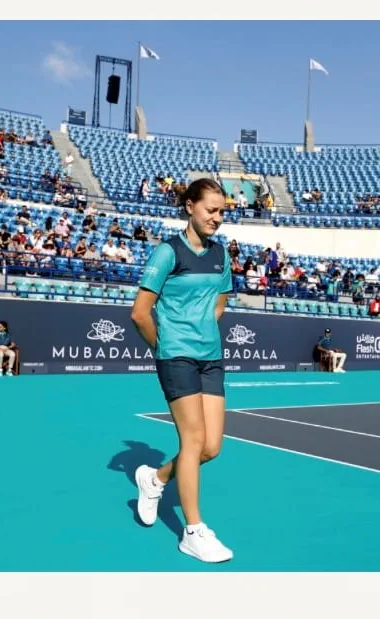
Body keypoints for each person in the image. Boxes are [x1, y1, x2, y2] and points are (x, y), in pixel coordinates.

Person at [130, 178, 234, 564]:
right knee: (192, 442)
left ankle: (154, 479)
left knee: (211, 448)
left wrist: (202, 328)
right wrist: (165, 346)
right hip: (176, 356)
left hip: (211, 357)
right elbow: (140, 313)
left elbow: (219, 303)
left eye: (222, 211)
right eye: (211, 209)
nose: (217, 218)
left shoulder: (221, 255)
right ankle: (193, 531)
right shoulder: (166, 253)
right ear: (190, 206)